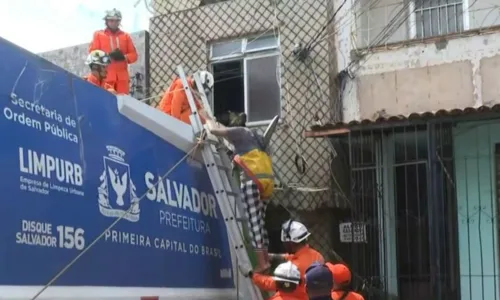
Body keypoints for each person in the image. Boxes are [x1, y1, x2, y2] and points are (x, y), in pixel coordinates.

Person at [201, 111, 274, 272]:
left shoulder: (239, 132)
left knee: (253, 222)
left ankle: (262, 264)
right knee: (261, 223)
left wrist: (207, 119)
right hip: (266, 180)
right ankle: (266, 259)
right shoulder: (256, 137)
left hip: (251, 181)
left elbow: (214, 131)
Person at [248, 219, 324, 297]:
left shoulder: (295, 267)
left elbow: (274, 283)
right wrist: (274, 256)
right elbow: (294, 257)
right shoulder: (317, 255)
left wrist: (252, 275)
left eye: (285, 242)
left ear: (290, 243)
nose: (284, 245)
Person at [88, 9, 138, 95]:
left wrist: (124, 57)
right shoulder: (98, 35)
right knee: (106, 102)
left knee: (122, 104)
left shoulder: (125, 36)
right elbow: (92, 54)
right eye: (111, 20)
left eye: (117, 20)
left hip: (122, 79)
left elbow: (134, 55)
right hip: (105, 78)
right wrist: (107, 56)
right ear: (106, 21)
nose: (114, 23)